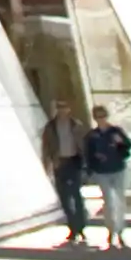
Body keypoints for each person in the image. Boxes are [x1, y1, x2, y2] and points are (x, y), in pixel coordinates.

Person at [39, 99, 90, 247]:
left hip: (74, 162)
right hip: (60, 163)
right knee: (64, 197)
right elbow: (46, 147)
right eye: (59, 107)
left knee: (76, 195)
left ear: (69, 109)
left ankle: (80, 226)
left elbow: (83, 145)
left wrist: (85, 163)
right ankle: (72, 227)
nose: (62, 110)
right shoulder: (51, 127)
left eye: (64, 107)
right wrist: (47, 163)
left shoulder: (76, 125)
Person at [84, 105, 131, 250]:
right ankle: (111, 230)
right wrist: (91, 169)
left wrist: (120, 144)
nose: (101, 119)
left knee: (120, 200)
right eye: (98, 117)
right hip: (102, 172)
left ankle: (120, 230)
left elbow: (128, 146)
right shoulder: (92, 136)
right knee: (108, 202)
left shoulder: (115, 131)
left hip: (117, 169)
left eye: (103, 116)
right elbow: (88, 155)